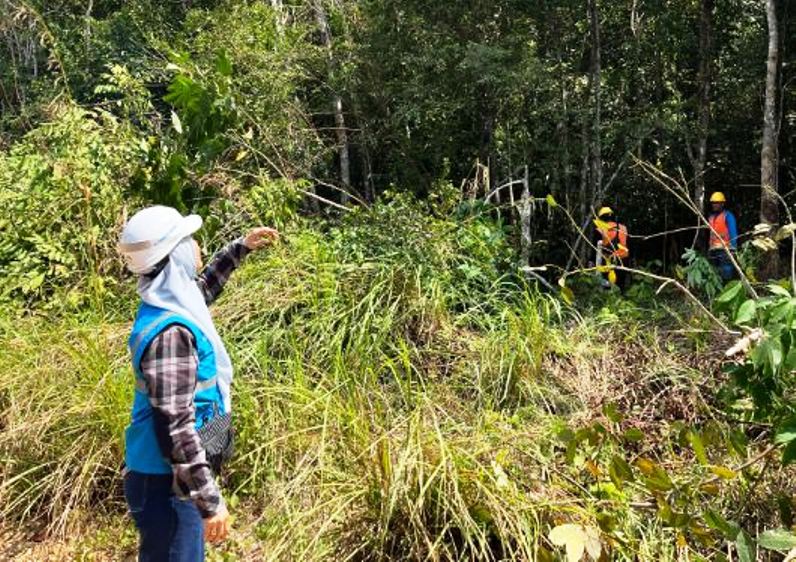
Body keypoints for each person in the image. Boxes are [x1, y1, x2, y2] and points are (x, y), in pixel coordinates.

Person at [118, 205, 278, 561]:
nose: (196, 246)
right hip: (169, 486)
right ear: (174, 255)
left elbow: (203, 289)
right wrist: (208, 501)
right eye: (188, 240)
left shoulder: (171, 302)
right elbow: (176, 428)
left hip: (173, 480)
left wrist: (241, 248)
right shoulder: (171, 334)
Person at [594, 206, 630, 291]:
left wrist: (591, 261)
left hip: (609, 260)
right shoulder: (623, 227)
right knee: (620, 285)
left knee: (607, 284)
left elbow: (596, 249)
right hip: (623, 259)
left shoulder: (600, 229)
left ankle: (608, 301)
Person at [706, 191, 738, 281]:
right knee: (715, 276)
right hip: (713, 250)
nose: (714, 205)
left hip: (725, 250)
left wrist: (733, 249)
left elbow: (733, 233)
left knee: (726, 274)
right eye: (713, 203)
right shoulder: (711, 217)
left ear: (722, 204)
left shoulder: (728, 216)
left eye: (717, 203)